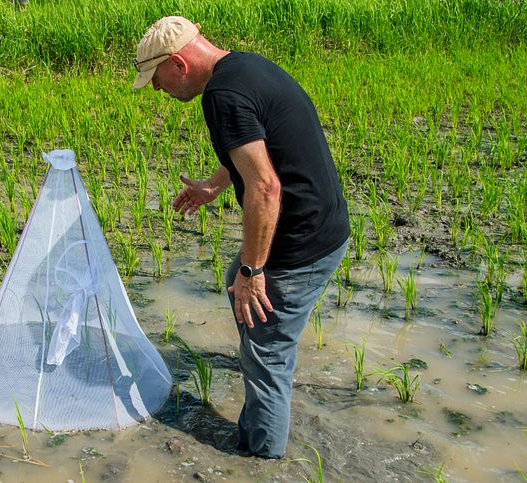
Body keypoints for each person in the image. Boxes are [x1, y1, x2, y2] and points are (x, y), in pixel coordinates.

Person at [133, 16, 350, 459]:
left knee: (265, 353)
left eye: (156, 79)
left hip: (303, 242)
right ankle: (266, 366)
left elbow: (266, 188)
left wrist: (255, 271)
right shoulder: (243, 67)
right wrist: (214, 186)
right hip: (323, 225)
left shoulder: (222, 96)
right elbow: (254, 149)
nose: (157, 90)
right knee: (243, 293)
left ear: (177, 63)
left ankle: (262, 460)